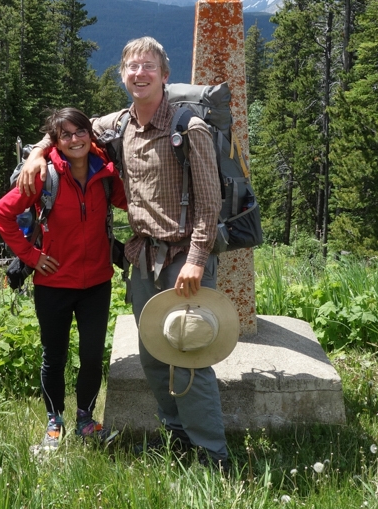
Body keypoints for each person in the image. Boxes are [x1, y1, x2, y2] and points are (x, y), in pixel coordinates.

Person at [17, 37, 230, 471]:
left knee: (188, 356)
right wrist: (38, 153)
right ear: (123, 75)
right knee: (153, 357)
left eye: (149, 66)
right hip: (142, 261)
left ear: (165, 75)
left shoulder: (189, 128)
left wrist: (194, 259)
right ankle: (179, 440)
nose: (140, 73)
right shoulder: (120, 124)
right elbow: (68, 127)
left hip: (183, 261)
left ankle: (214, 456)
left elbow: (210, 203)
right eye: (132, 66)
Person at [0, 108, 127, 450]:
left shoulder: (106, 173)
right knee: (54, 356)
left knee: (93, 354)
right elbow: (3, 214)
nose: (74, 139)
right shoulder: (43, 176)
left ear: (89, 134)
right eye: (65, 135)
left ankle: (85, 419)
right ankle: (55, 420)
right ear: (56, 141)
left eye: (79, 131)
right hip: (53, 284)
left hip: (97, 281)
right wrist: (33, 257)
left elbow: (132, 203)